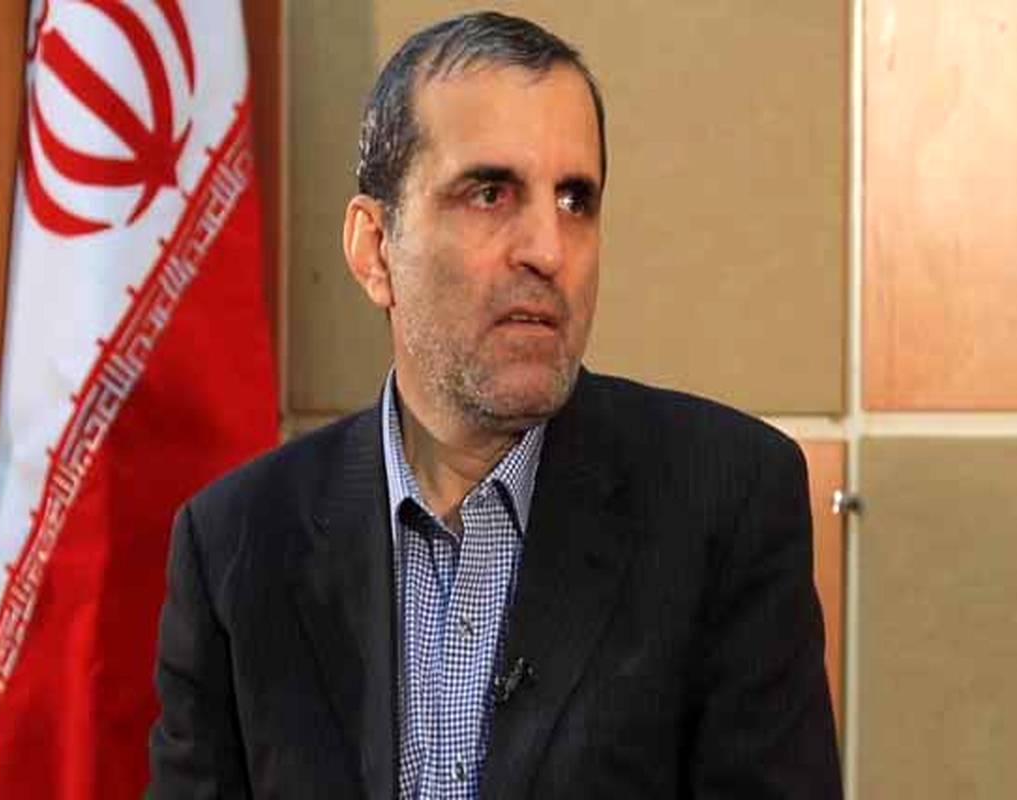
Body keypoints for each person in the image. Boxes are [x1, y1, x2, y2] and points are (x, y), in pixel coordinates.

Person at [150, 11, 842, 799]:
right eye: (490, 193)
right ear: (374, 249)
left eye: (575, 200)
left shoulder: (725, 504)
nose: (548, 249)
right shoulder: (237, 546)